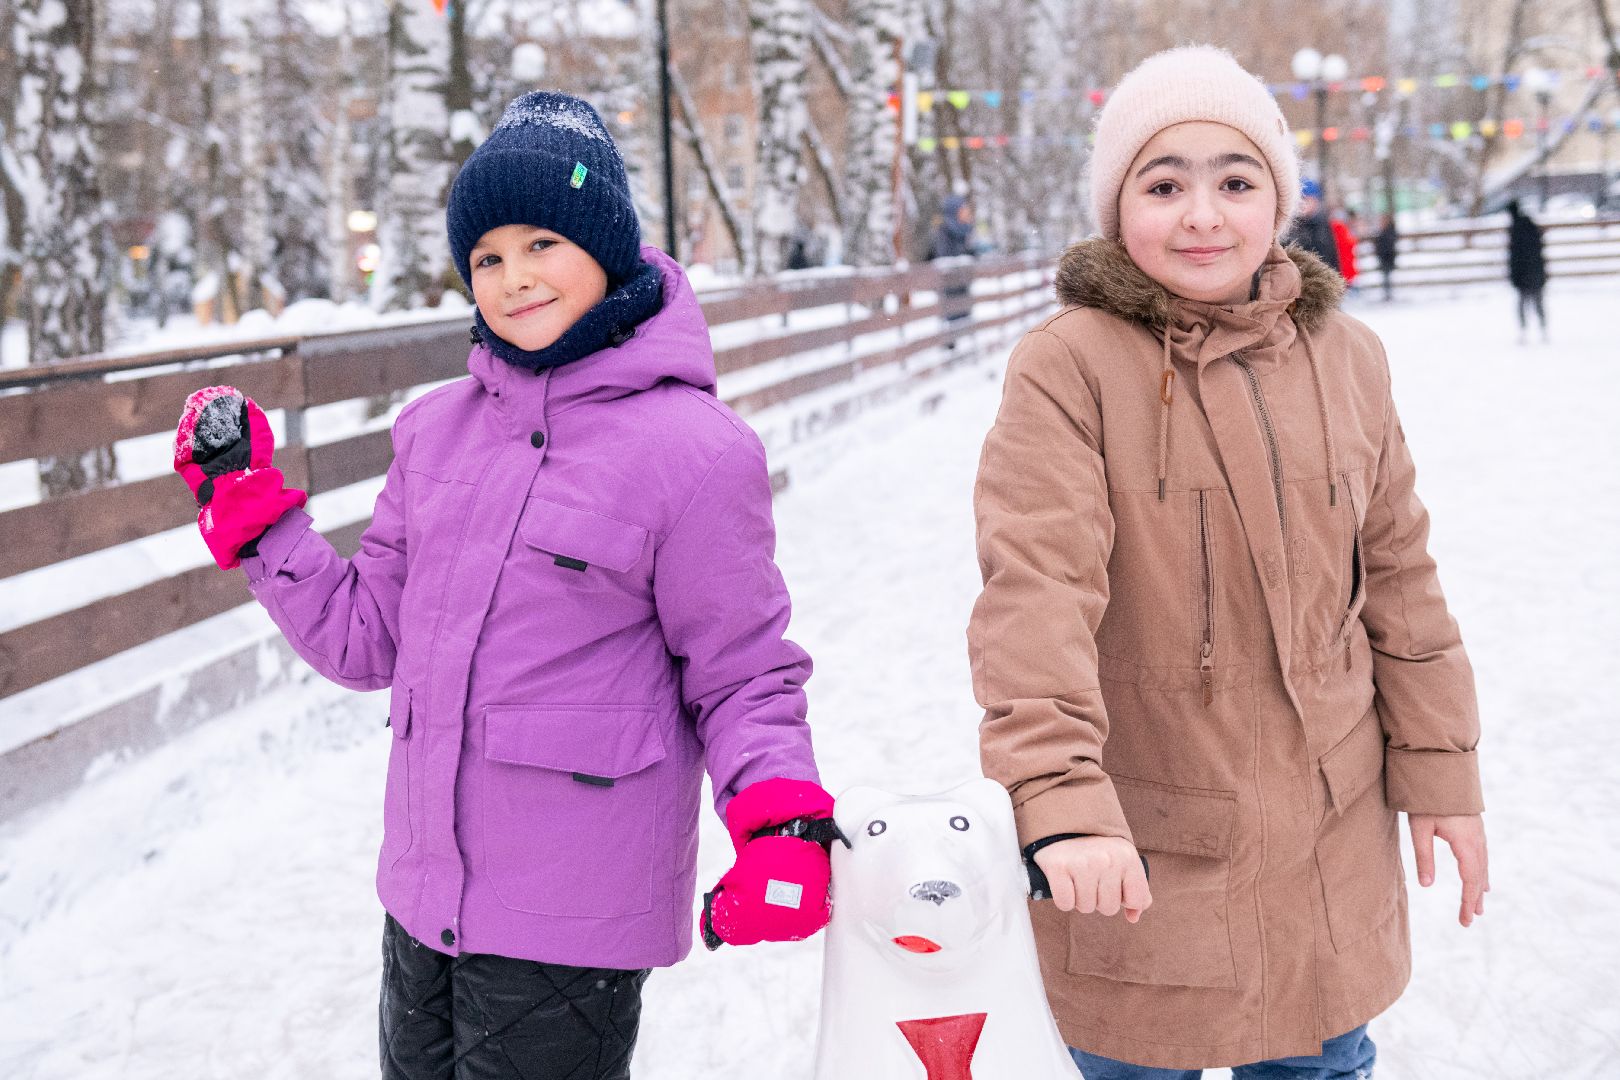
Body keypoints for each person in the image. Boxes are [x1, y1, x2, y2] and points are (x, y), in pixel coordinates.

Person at [170, 91, 835, 1080]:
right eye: (487, 257)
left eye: (542, 243)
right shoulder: (434, 431)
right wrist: (258, 518)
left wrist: (779, 819)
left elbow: (742, 674)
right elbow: (364, 642)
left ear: (605, 246)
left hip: (572, 925)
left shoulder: (693, 455)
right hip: (423, 901)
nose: (514, 277)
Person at [969, 46, 1488, 1079]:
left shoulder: (1349, 360)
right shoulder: (1070, 368)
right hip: (1139, 861)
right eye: (1165, 184)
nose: (1203, 215)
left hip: (1324, 859)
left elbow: (1401, 578)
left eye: (1236, 180)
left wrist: (1443, 774)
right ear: (1121, 208)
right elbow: (1036, 600)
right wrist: (1061, 805)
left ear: (1280, 202)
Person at [1506, 199, 1548, 342]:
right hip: (1534, 270)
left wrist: (1515, 274)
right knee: (1537, 302)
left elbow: (1515, 256)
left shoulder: (1516, 230)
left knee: (1525, 303)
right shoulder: (1530, 226)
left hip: (1524, 272)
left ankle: (1526, 331)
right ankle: (1542, 329)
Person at [1288, 177, 1340, 273]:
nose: (1302, 204)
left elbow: (1331, 256)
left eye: (1306, 200)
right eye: (1299, 200)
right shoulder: (1293, 226)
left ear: (1315, 201)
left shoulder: (1323, 225)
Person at [1373, 213, 1399, 301]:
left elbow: (1387, 245)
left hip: (1387, 257)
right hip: (1384, 257)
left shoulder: (1389, 232)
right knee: (1385, 277)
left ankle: (1388, 294)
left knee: (1386, 277)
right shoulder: (1384, 231)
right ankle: (1387, 293)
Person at [1332, 208, 1359, 289]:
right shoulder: (1339, 227)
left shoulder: (1342, 227)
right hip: (1344, 260)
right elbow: (1347, 243)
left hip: (1346, 259)